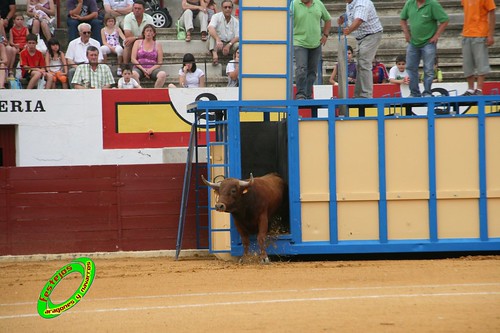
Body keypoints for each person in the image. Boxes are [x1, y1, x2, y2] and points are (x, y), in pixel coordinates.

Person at [400, 0, 449, 97]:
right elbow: (402, 19)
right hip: (413, 42)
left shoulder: (433, 4)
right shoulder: (409, 3)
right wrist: (406, 34)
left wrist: (436, 36)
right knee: (410, 67)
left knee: (428, 68)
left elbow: (445, 20)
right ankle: (414, 93)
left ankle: (427, 92)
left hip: (428, 42)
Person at [338, 0, 382, 99]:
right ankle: (358, 95)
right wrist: (344, 17)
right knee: (360, 65)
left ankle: (366, 95)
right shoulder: (350, 4)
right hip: (361, 37)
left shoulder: (362, 3)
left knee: (364, 63)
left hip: (371, 35)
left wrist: (349, 29)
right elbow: (352, 14)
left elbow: (358, 20)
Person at [293, 0, 331, 100]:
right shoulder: (294, 4)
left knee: (312, 71)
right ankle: (301, 94)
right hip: (299, 42)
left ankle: (308, 94)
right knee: (301, 68)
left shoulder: (318, 4)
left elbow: (328, 19)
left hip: (315, 43)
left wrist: (325, 35)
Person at [461, 0, 496, 96]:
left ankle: (479, 89)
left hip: (480, 33)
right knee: (467, 63)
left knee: (481, 62)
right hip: (466, 33)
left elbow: (492, 13)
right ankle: (470, 89)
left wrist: (490, 34)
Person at [130, 24, 166, 88]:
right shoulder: (137, 42)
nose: (148, 33)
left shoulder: (158, 44)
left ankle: (155, 92)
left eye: (150, 31)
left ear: (154, 34)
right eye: (147, 31)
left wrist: (150, 70)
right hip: (139, 67)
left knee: (162, 74)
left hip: (152, 68)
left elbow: (160, 62)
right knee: (133, 74)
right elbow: (133, 59)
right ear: (144, 33)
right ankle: (139, 91)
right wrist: (143, 69)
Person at [207, 0, 239, 66]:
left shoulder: (235, 21)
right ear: (222, 8)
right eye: (225, 7)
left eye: (229, 7)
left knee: (238, 44)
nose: (227, 9)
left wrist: (229, 44)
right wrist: (218, 39)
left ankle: (235, 60)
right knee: (212, 36)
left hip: (229, 45)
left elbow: (238, 36)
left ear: (232, 9)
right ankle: (214, 55)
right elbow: (210, 28)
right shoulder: (216, 16)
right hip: (217, 45)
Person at [122, 0, 153, 65]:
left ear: (144, 10)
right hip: (132, 41)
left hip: (145, 40)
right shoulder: (128, 17)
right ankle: (125, 66)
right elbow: (127, 34)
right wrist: (136, 39)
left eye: (139, 9)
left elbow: (150, 34)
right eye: (135, 8)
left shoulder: (149, 18)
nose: (137, 10)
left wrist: (135, 38)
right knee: (127, 43)